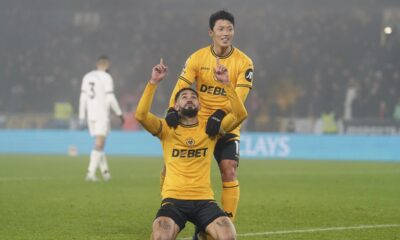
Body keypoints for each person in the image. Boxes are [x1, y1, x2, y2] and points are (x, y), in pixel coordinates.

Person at [135, 58, 247, 240]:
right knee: (161, 234)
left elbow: (240, 114)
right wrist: (153, 83)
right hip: (174, 201)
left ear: (200, 105)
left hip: (204, 201)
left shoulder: (211, 129)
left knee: (228, 235)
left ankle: (203, 231)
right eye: (184, 97)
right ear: (176, 105)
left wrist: (226, 84)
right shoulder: (166, 128)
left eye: (193, 97)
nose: (189, 99)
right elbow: (140, 115)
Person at [164, 10, 254, 226]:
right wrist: (171, 109)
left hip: (227, 122)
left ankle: (228, 221)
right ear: (211, 32)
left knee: (229, 168)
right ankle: (167, 208)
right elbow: (181, 87)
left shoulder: (244, 63)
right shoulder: (197, 58)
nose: (226, 33)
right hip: (198, 125)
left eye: (229, 29)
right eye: (221, 29)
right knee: (170, 168)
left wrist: (221, 113)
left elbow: (239, 100)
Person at [79, 56, 124, 182]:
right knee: (99, 143)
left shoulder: (87, 76)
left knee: (99, 144)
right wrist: (119, 113)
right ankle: (90, 173)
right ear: (106, 65)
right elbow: (110, 97)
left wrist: (82, 116)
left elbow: (82, 98)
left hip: (90, 115)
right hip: (101, 114)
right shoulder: (106, 77)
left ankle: (105, 173)